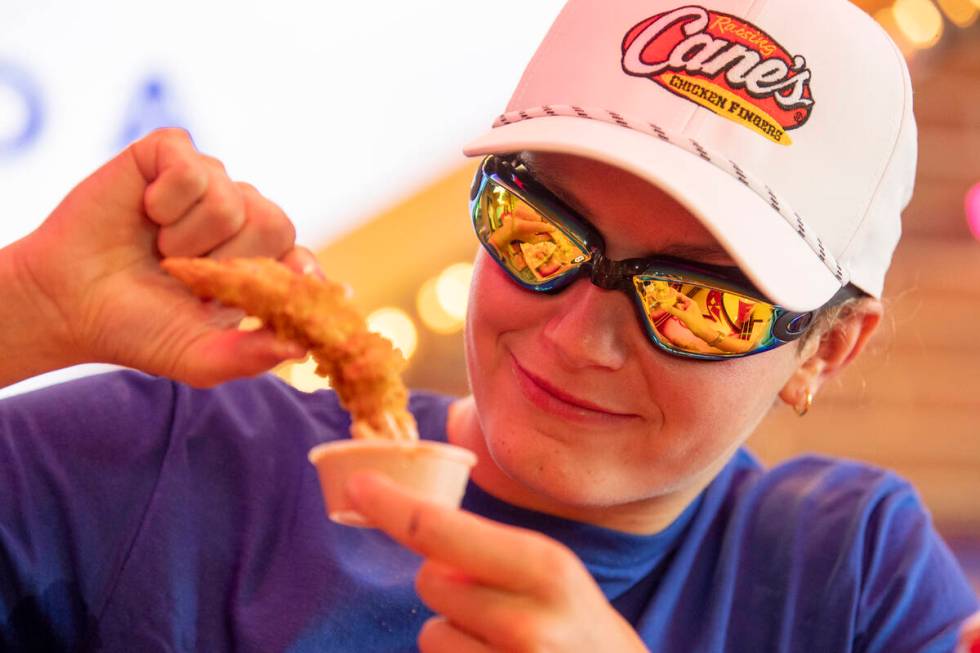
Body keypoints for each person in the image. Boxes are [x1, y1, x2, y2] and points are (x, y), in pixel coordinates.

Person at [1, 0, 978, 651]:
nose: (576, 335)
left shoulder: (842, 580)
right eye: (538, 230)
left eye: (699, 298)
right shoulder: (172, 470)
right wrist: (27, 312)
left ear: (824, 346)